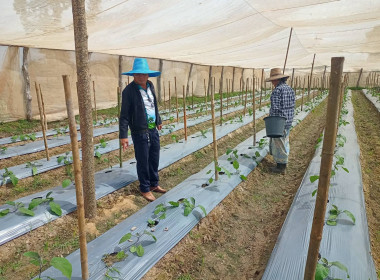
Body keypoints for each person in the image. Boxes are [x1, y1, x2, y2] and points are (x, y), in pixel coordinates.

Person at [119, 58, 166, 202]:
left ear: (148, 75)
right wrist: (123, 135)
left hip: (152, 129)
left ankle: (154, 184)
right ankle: (145, 188)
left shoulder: (150, 85)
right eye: (138, 74)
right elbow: (124, 114)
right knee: (143, 160)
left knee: (154, 157)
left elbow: (153, 105)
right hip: (139, 131)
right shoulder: (129, 91)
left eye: (144, 74)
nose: (141, 76)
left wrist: (158, 120)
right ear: (133, 75)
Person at [265, 68, 295, 174]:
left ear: (277, 80)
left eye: (273, 80)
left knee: (279, 144)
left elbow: (276, 108)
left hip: (279, 122)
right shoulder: (290, 89)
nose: (272, 83)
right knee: (285, 141)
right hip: (288, 120)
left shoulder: (277, 91)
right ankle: (283, 163)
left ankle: (281, 167)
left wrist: (271, 121)